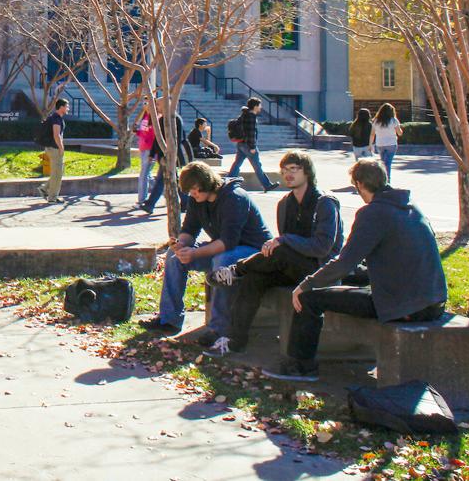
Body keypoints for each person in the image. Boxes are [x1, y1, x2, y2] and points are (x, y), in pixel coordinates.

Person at [264, 158, 447, 382]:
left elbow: (344, 263)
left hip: (404, 306)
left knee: (310, 299)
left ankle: (300, 367)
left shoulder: (373, 213)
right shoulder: (409, 206)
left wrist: (306, 284)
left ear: (359, 184)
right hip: (433, 301)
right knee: (345, 285)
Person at [204, 150, 344, 357]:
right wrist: (280, 244)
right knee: (254, 278)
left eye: (293, 169)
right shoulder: (284, 204)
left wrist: (283, 241)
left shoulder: (325, 203)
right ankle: (236, 340)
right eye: (284, 170)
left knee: (281, 249)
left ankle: (236, 270)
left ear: (307, 172)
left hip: (321, 269)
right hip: (292, 266)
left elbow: (322, 247)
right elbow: (286, 245)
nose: (288, 174)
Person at [139, 162, 271, 342]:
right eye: (190, 192)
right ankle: (169, 319)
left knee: (222, 260)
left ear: (207, 183)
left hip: (253, 252)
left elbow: (227, 242)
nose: (193, 195)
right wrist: (181, 245)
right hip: (224, 248)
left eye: (195, 190)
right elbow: (190, 230)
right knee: (174, 257)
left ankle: (218, 330)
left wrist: (193, 254)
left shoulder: (234, 198)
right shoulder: (197, 200)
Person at [141, 112, 192, 214]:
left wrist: (171, 154)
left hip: (169, 156)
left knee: (161, 180)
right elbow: (158, 138)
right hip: (163, 155)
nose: (157, 107)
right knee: (175, 180)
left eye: (159, 104)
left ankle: (150, 204)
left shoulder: (175, 119)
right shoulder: (161, 119)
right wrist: (152, 153)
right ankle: (186, 202)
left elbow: (178, 138)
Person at [227, 97, 278, 192]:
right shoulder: (251, 116)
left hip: (241, 144)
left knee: (237, 164)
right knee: (257, 166)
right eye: (259, 105)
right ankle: (267, 185)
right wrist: (252, 147)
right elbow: (251, 133)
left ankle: (228, 181)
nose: (261, 107)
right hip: (248, 145)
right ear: (255, 106)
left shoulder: (244, 114)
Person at [37, 98, 69, 204]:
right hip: (54, 149)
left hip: (52, 148)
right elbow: (56, 135)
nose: (68, 108)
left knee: (58, 172)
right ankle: (52, 198)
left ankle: (44, 189)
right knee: (57, 174)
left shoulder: (56, 117)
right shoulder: (56, 119)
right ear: (61, 107)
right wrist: (61, 147)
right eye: (66, 106)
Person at [370, 103, 403, 180]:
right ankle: (387, 180)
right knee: (388, 163)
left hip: (380, 144)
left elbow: (372, 134)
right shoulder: (394, 120)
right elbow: (399, 133)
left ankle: (382, 179)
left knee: (383, 162)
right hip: (391, 144)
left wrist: (370, 144)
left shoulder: (376, 121)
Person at [135, 111, 155, 206]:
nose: (145, 102)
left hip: (150, 149)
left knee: (143, 174)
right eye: (144, 100)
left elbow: (154, 135)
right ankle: (164, 193)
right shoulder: (145, 116)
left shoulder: (155, 116)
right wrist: (137, 132)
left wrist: (153, 152)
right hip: (143, 147)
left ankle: (141, 200)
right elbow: (144, 133)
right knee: (148, 175)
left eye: (147, 99)